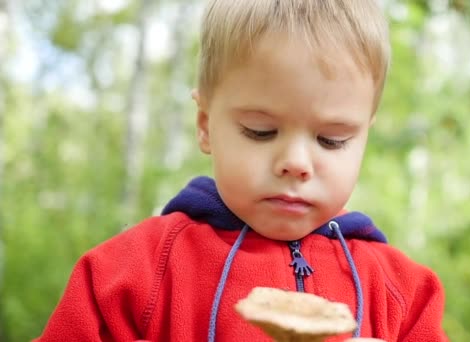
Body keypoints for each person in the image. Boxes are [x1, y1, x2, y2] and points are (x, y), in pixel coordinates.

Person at [36, 0, 448, 341]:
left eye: (332, 140)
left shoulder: (405, 293)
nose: (297, 163)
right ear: (205, 125)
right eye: (260, 131)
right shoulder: (126, 275)